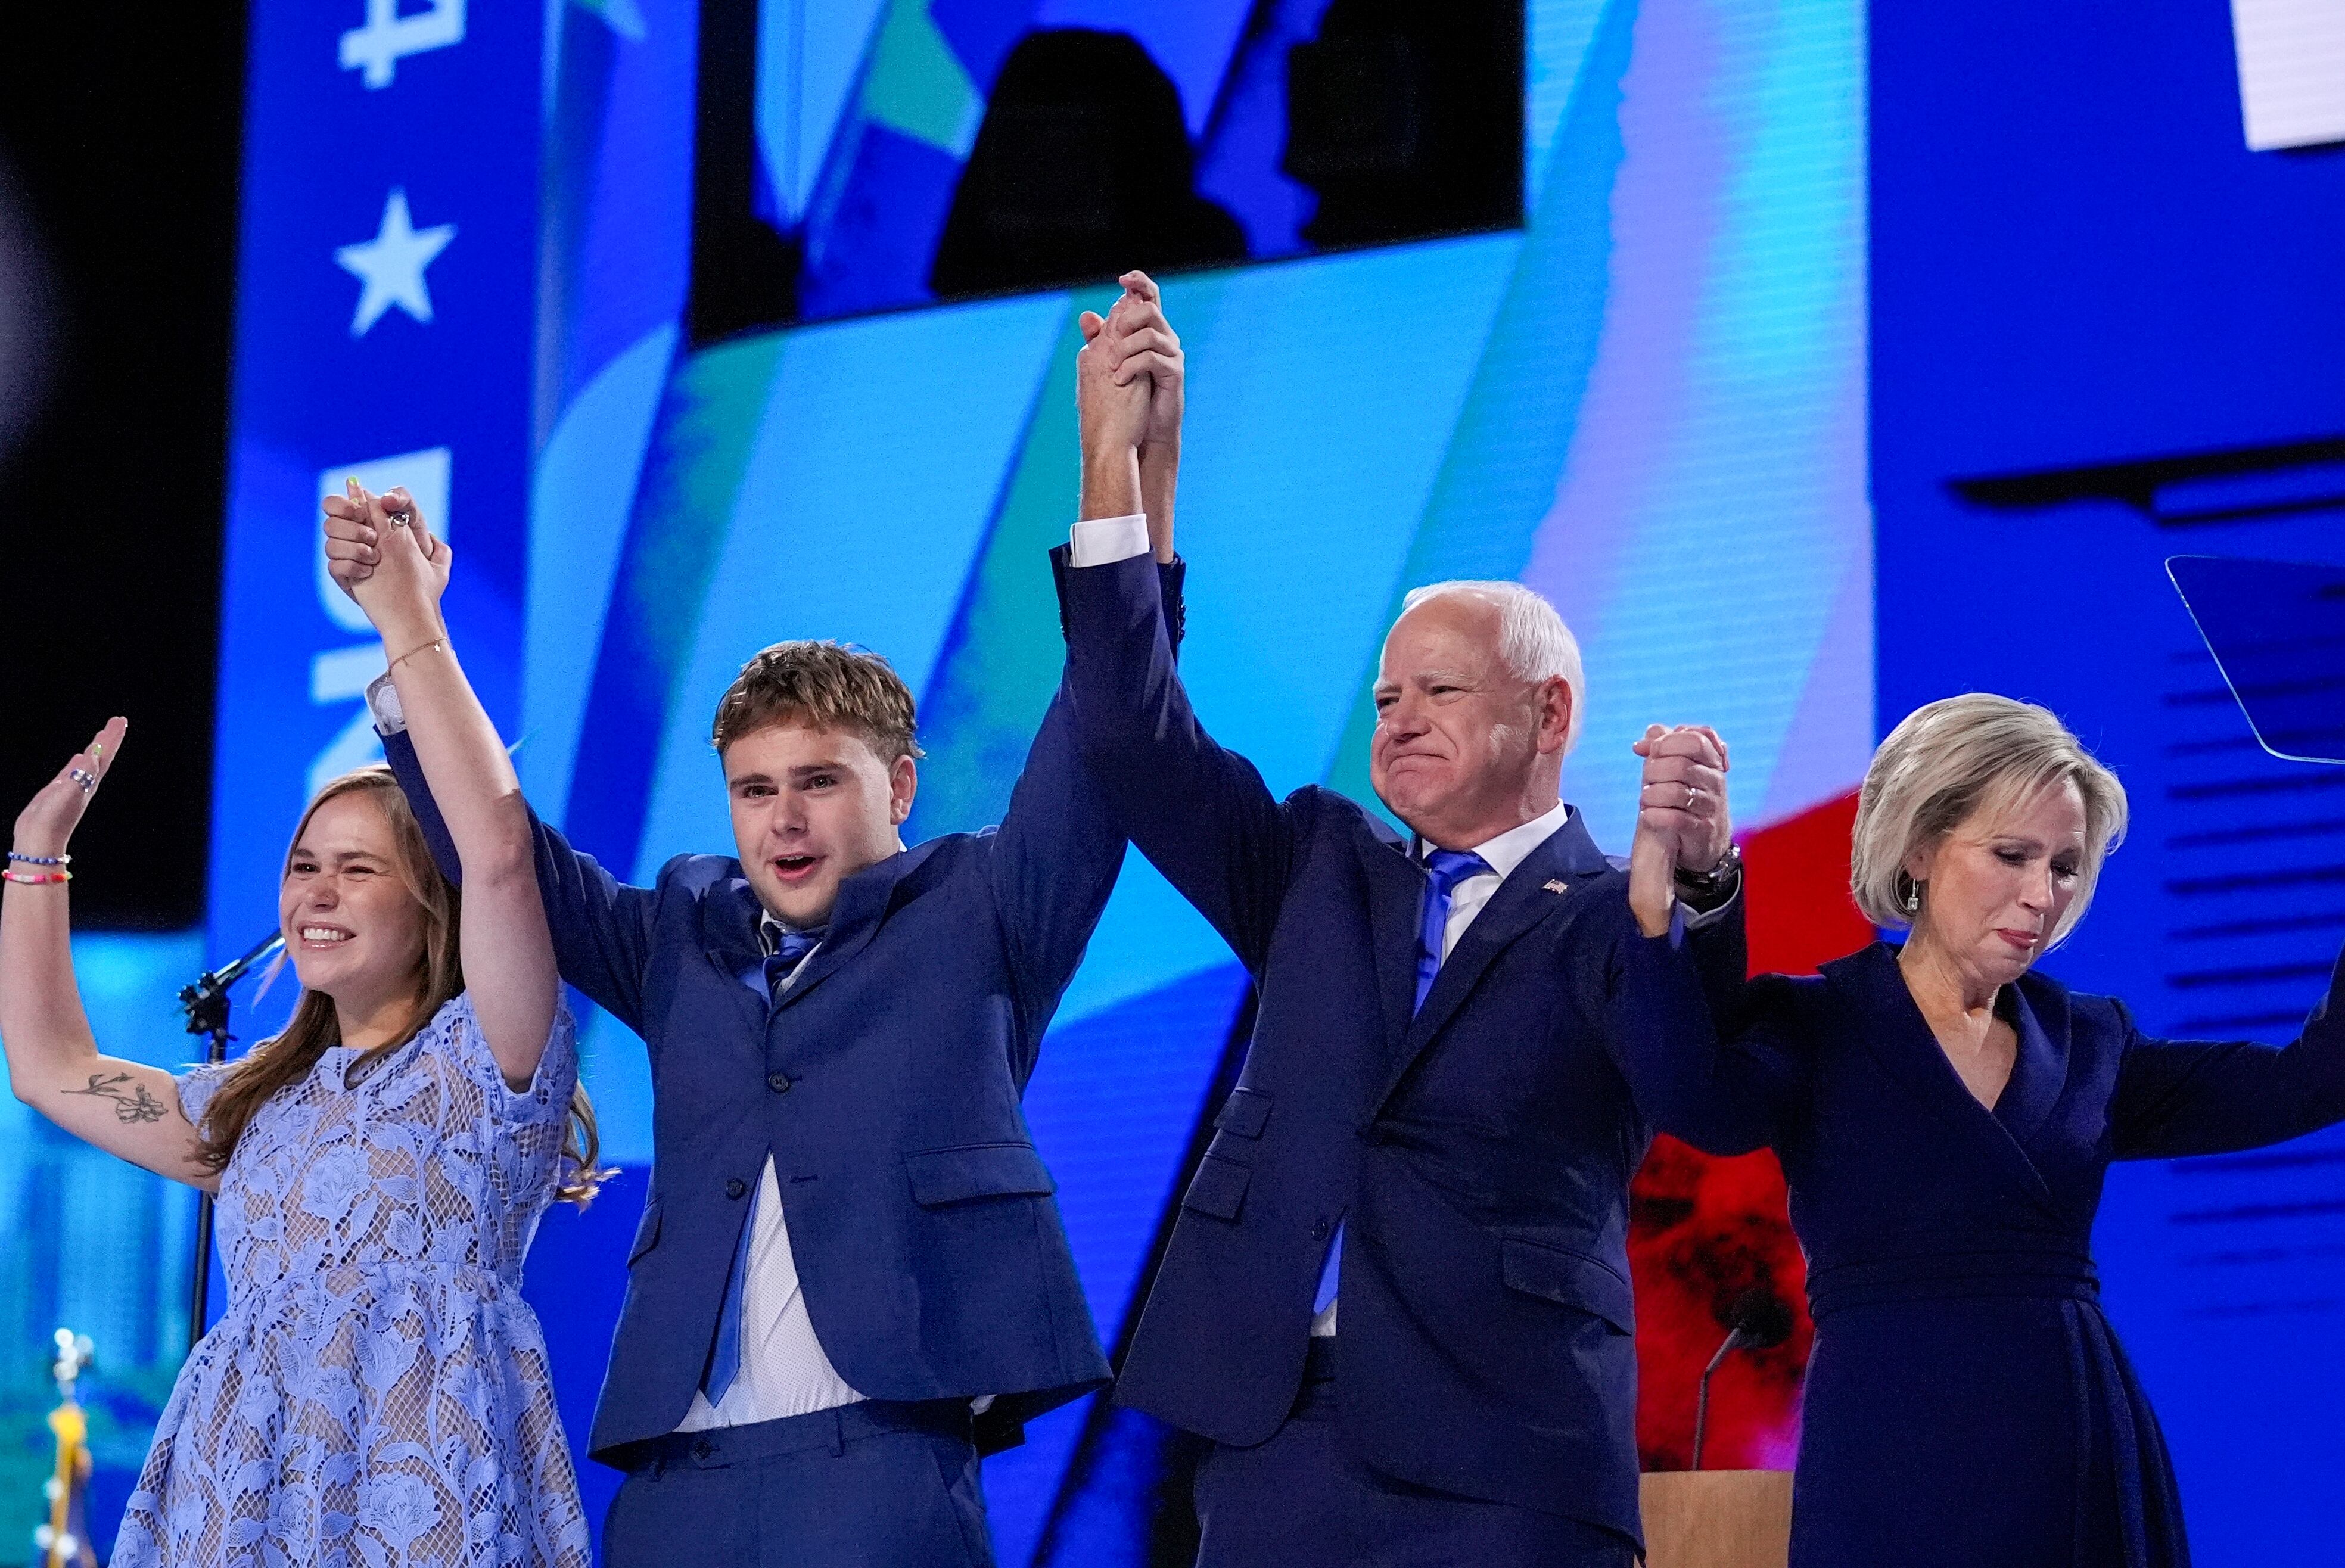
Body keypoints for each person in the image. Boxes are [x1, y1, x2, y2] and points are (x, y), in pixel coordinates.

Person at [321, 406, 1189, 1566]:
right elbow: (502, 853)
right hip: (677, 1476)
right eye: (753, 786)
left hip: (880, 1464)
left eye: (820, 779)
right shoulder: (683, 925)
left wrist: (1115, 468)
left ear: (903, 786)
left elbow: (1105, 727)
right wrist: (410, 630)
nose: (782, 815)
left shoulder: (986, 905)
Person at [1053, 270, 1749, 1566]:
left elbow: (1703, 1080)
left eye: (1438, 689)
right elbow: (1135, 741)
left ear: (1549, 717)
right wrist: (1126, 472)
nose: (1399, 720)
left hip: (1506, 1459)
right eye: (1384, 698)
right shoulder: (1321, 862)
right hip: (1273, 1441)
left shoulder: (1608, 916)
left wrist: (1695, 891)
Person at [1, 482, 602, 1567]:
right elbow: (48, 1068)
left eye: (358, 869)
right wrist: (36, 857)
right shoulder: (250, 1107)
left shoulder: (490, 1061)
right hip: (244, 1507)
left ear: (431, 904)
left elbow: (502, 851)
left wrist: (409, 622)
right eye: (302, 869)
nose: (315, 894)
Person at [1615, 692, 2345, 1567]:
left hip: (2073, 1450)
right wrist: (1688, 886)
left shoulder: (2092, 1042)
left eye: (2065, 867)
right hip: (1889, 1455)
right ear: (1918, 847)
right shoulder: (1818, 1027)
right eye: (2011, 855)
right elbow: (1694, 1099)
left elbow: (2306, 1084)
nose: (2041, 895)